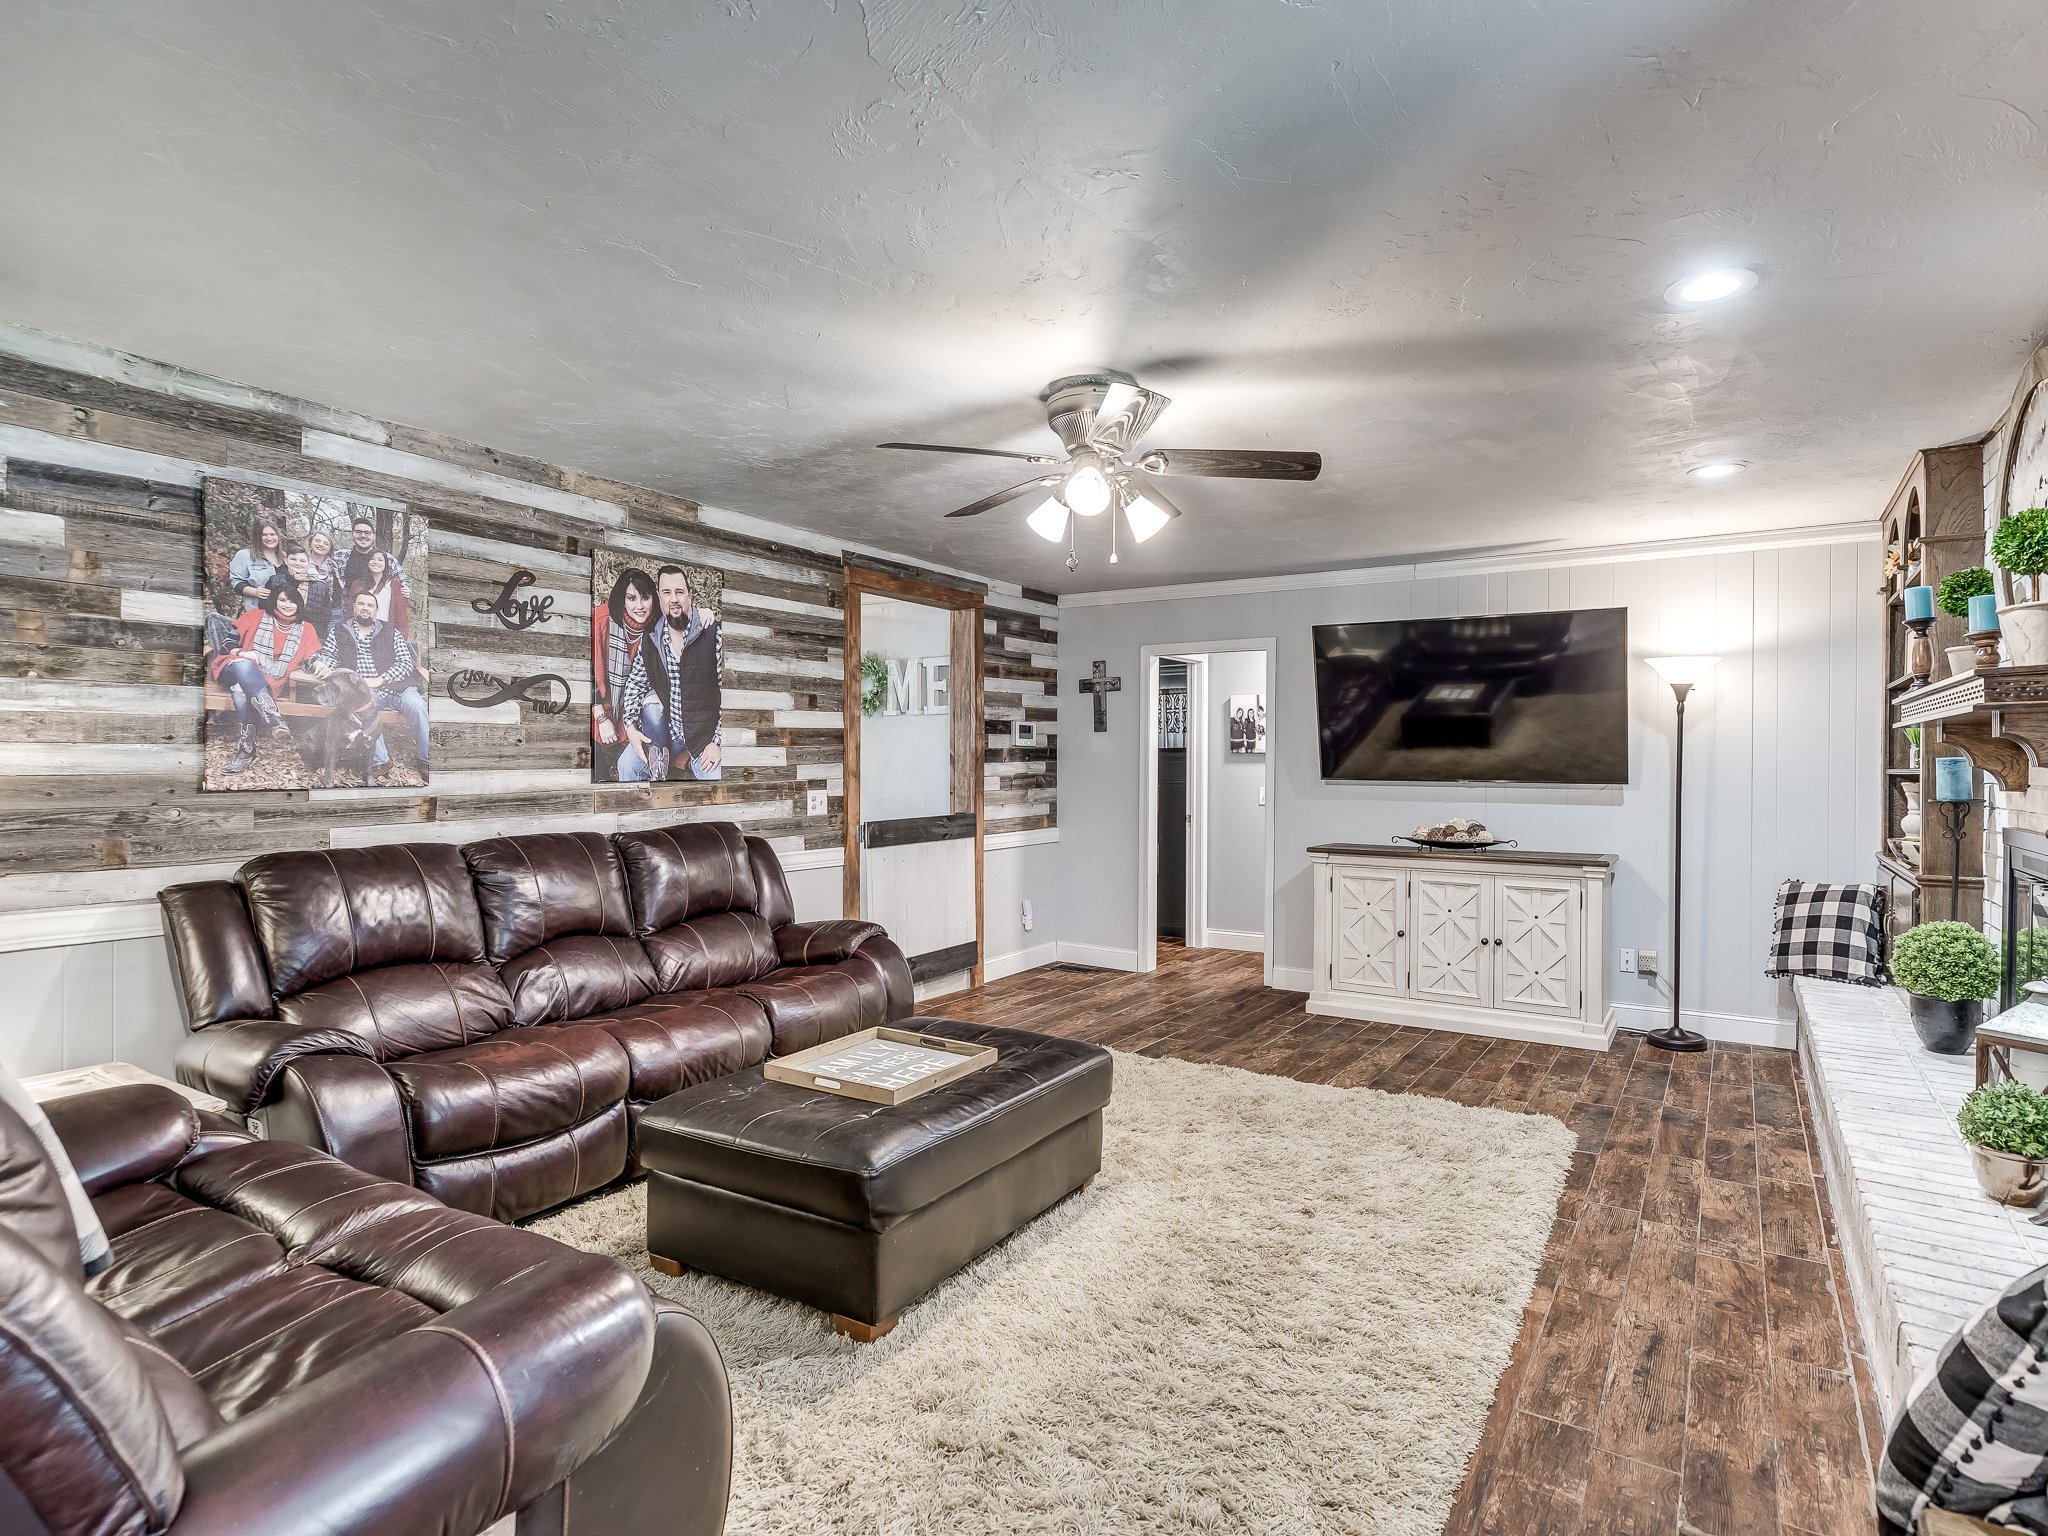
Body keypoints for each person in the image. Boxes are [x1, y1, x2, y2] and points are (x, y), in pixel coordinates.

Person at [315, 585, 430, 786]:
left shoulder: (390, 631)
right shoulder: (340, 631)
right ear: (354, 607)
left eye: (370, 605)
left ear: (376, 610)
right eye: (361, 604)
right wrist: (323, 664)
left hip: (399, 686)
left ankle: (426, 759)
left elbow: (405, 662)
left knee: (417, 706)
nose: (365, 608)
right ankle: (381, 761)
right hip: (366, 691)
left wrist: (382, 678)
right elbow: (329, 655)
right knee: (363, 710)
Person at [618, 565, 722, 782]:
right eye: (667, 592)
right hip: (669, 732)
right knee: (627, 766)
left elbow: (730, 694)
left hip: (704, 736)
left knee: (717, 778)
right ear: (659, 597)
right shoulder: (652, 639)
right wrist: (630, 727)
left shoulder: (713, 634)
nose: (673, 599)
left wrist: (718, 741)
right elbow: (635, 684)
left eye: (679, 592)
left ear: (690, 595)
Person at [210, 582, 322, 775]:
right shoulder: (254, 616)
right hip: (232, 666)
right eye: (282, 600)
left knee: (240, 689)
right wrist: (242, 653)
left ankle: (246, 751)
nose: (288, 605)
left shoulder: (306, 629)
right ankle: (274, 718)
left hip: (268, 680)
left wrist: (318, 664)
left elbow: (309, 659)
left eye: (293, 601)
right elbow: (227, 644)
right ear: (274, 601)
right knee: (245, 666)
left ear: (299, 604)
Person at [591, 566, 657, 780]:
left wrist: (704, 613)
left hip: (634, 712)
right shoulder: (602, 619)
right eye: (632, 598)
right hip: (602, 708)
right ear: (623, 599)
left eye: (645, 598)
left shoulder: (658, 627)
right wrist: (601, 718)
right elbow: (585, 672)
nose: (640, 606)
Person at [227, 516, 285, 611]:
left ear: (278, 536)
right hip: (257, 610)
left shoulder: (286, 557)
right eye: (264, 535)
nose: (269, 538)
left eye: (272, 534)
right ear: (258, 537)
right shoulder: (244, 555)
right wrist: (255, 592)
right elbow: (236, 583)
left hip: (284, 611)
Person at [360, 548, 410, 632]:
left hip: (386, 632)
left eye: (380, 560)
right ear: (367, 562)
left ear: (386, 564)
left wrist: (402, 635)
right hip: (363, 631)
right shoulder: (358, 585)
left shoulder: (395, 585)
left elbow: (401, 616)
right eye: (372, 559)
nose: (376, 562)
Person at [304, 529, 340, 636]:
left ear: (330, 548)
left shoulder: (333, 565)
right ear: (311, 543)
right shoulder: (302, 561)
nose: (321, 545)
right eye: (318, 541)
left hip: (330, 613)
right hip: (306, 613)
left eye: (326, 543)